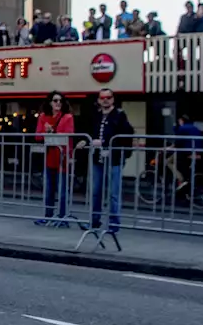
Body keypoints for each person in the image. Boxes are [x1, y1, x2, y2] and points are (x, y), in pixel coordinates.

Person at [81, 88, 133, 233]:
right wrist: (87, 141)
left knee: (113, 193)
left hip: (114, 159)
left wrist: (105, 142)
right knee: (96, 191)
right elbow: (90, 132)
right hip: (98, 158)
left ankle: (114, 224)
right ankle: (94, 221)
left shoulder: (120, 115)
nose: (105, 100)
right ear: (98, 100)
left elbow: (126, 135)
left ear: (113, 99)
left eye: (108, 97)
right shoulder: (96, 116)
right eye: (102, 97)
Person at [35, 91, 75, 227]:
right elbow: (38, 136)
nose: (58, 103)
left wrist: (52, 132)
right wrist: (45, 132)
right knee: (49, 188)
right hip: (49, 156)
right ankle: (48, 215)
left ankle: (63, 218)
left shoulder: (67, 117)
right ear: (50, 102)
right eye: (55, 100)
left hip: (62, 156)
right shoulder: (43, 116)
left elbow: (68, 135)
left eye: (60, 101)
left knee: (62, 188)